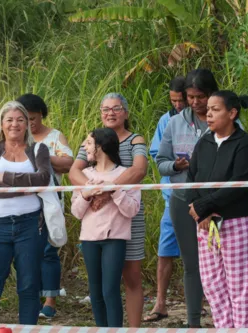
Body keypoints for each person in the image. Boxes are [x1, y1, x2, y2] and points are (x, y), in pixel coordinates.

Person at [69, 93, 147, 327]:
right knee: (99, 286)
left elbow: (139, 170)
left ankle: (132, 329)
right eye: (105, 109)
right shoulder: (92, 139)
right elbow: (74, 172)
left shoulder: (135, 140)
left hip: (124, 215)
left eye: (116, 108)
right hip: (94, 216)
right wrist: (90, 191)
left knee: (130, 275)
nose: (110, 113)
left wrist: (108, 190)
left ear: (126, 112)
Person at [186, 90, 248, 328]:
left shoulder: (245, 144)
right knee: (212, 285)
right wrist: (200, 211)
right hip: (206, 224)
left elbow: (240, 184)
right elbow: (191, 179)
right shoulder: (204, 142)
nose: (208, 114)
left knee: (241, 286)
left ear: (232, 113)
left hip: (236, 222)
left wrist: (205, 205)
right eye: (208, 109)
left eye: (215, 109)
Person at [0, 101, 51, 325]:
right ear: (1, 123)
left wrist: (6, 178)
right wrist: (24, 188)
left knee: (29, 286)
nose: (14, 124)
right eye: (9, 120)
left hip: (30, 226)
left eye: (20, 119)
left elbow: (43, 180)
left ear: (28, 124)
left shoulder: (39, 149)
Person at [156, 68, 220, 328]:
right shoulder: (174, 122)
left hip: (216, 202)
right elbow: (160, 162)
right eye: (190, 97)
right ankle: (194, 322)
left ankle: (224, 318)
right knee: (191, 263)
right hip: (182, 200)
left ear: (211, 94)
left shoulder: (226, 118)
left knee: (218, 263)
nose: (195, 102)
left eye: (200, 96)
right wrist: (176, 166)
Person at [16, 93, 74, 319]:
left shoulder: (55, 136)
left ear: (42, 115)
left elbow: (69, 163)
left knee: (49, 250)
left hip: (50, 200)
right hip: (21, 202)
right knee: (25, 251)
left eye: (33, 118)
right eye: (24, 118)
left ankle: (50, 300)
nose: (29, 123)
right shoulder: (14, 137)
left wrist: (42, 156)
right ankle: (31, 296)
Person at [144, 76, 186, 322]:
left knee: (203, 251)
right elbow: (157, 153)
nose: (178, 105)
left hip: (200, 197)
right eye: (174, 100)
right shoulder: (166, 120)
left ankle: (199, 301)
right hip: (173, 196)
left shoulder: (202, 119)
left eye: (182, 100)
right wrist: (173, 162)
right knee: (165, 251)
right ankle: (160, 302)